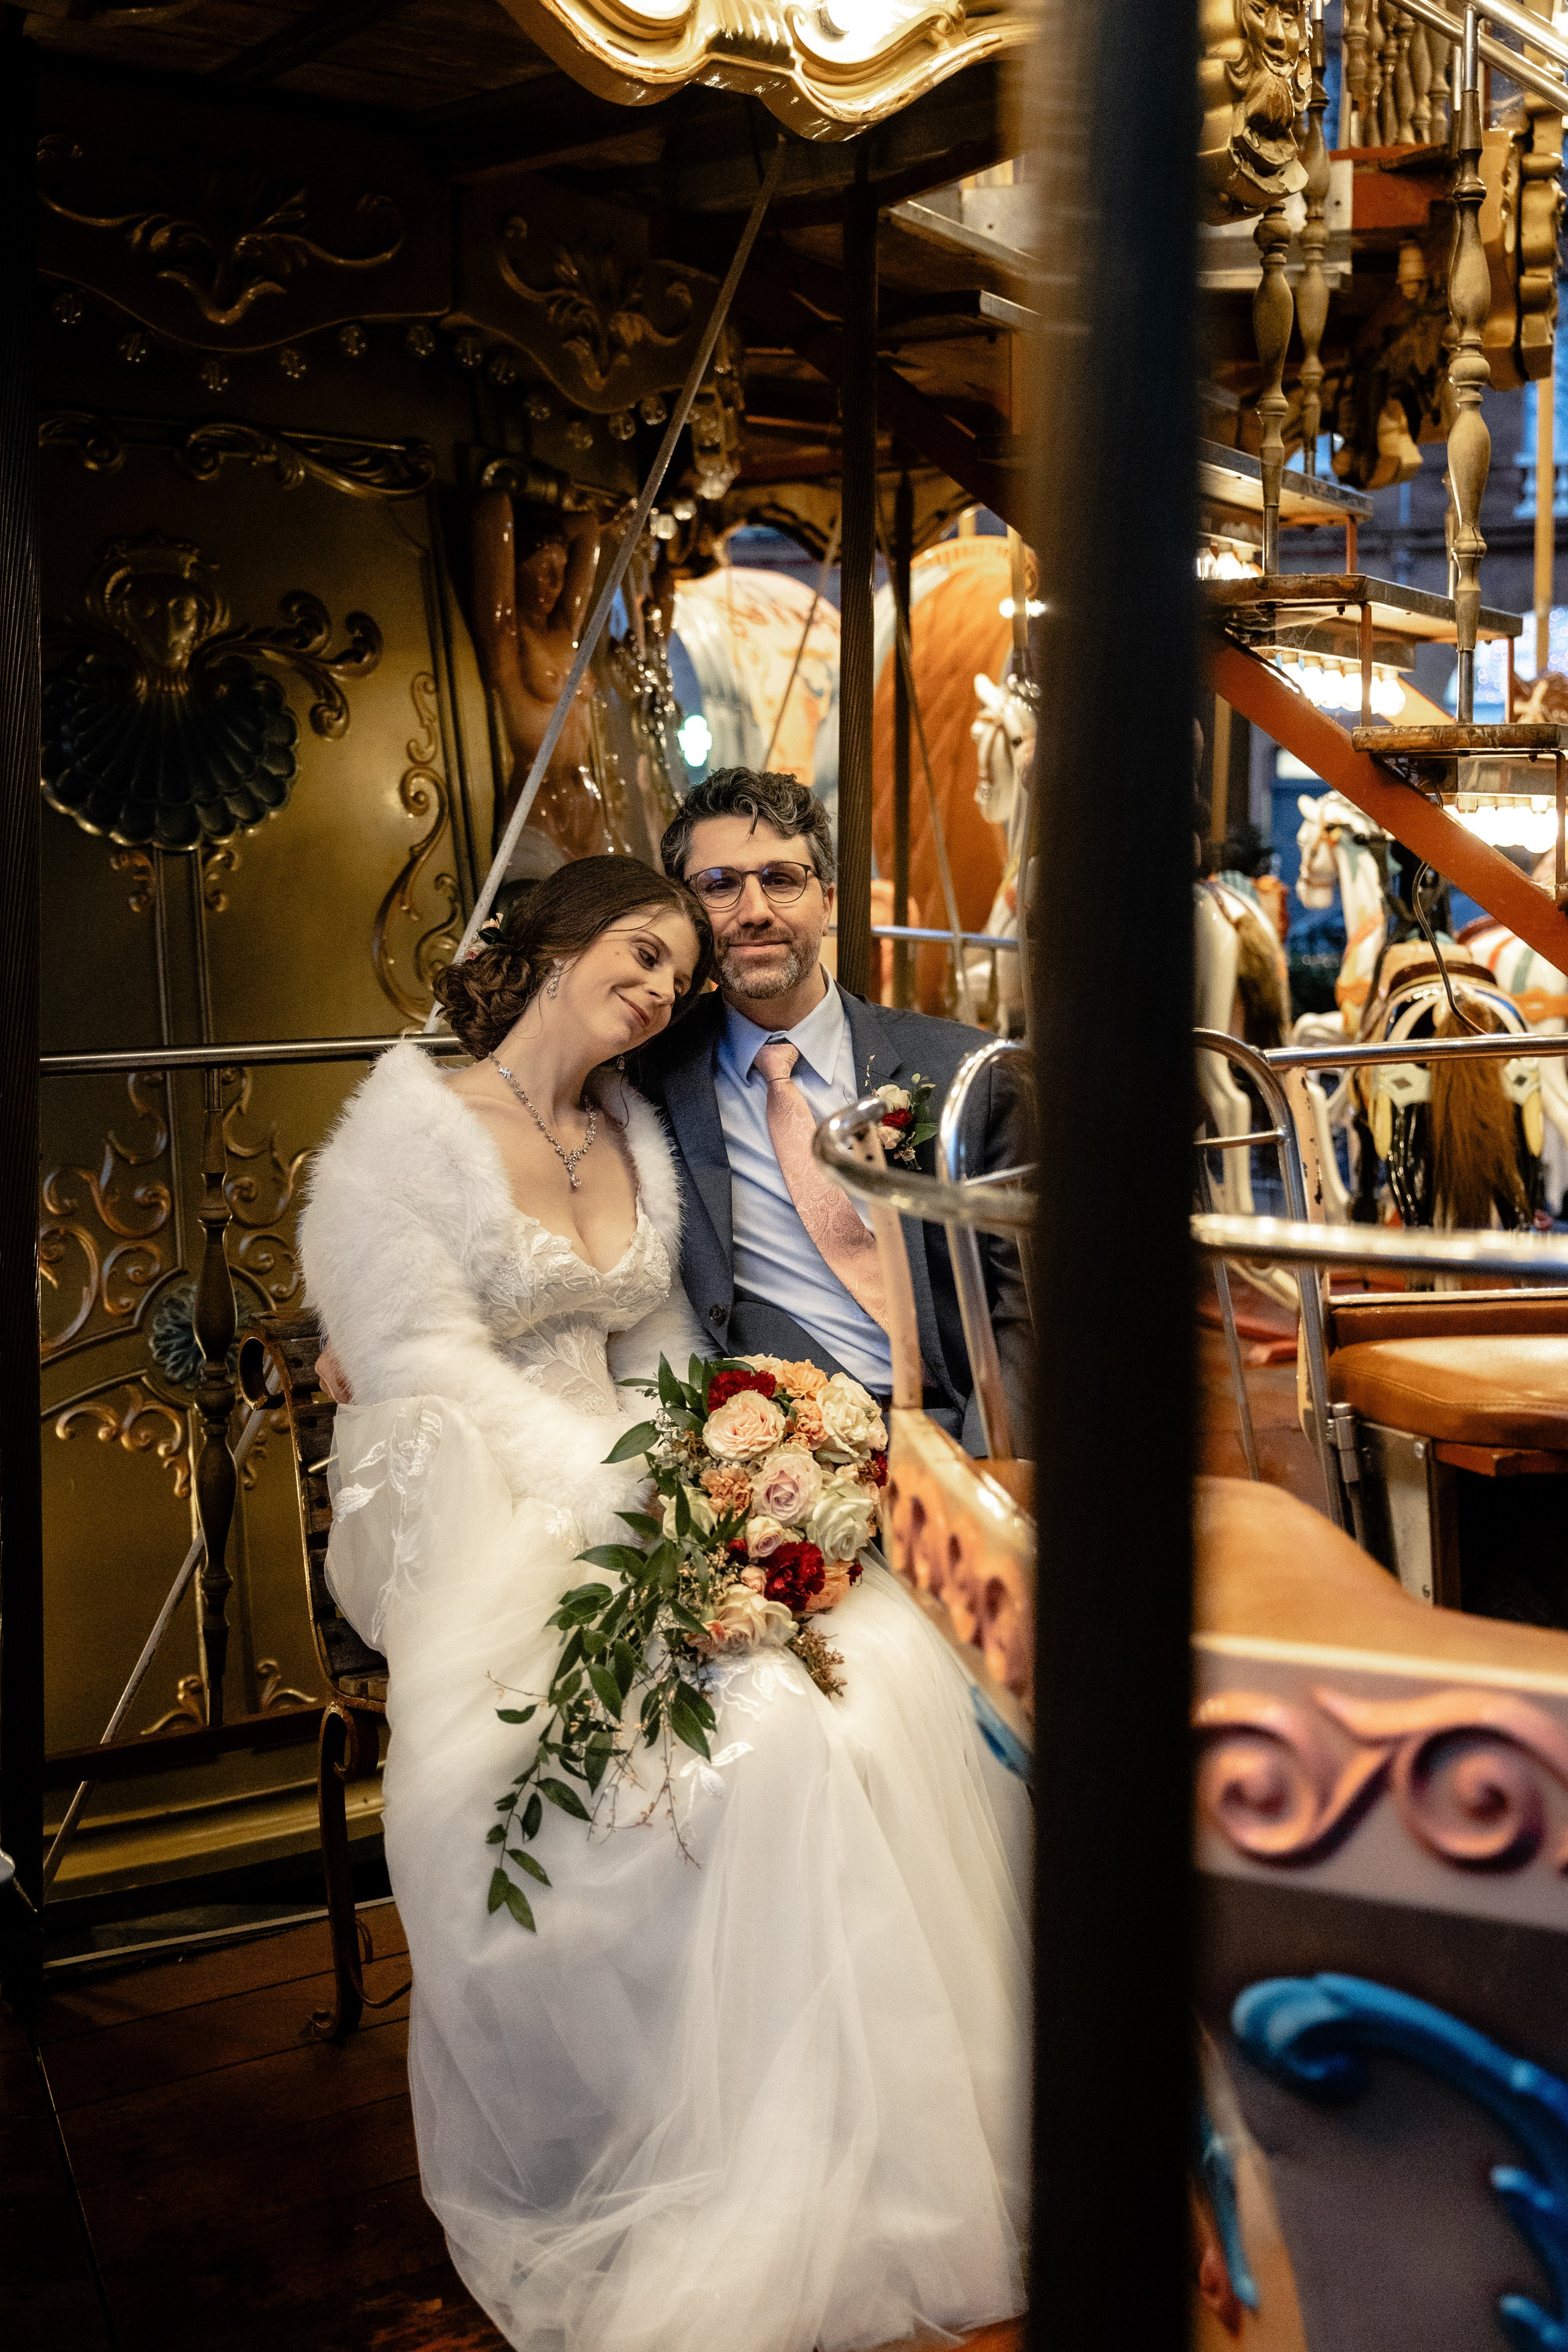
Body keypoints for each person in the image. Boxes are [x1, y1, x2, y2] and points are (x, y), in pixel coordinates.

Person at [300, 855, 1029, 2352]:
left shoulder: (632, 1119)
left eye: (672, 974)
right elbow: (421, 1360)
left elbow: (668, 1338)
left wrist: (731, 1480)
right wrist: (618, 1500)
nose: (655, 987)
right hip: (475, 1504)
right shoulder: (407, 1122)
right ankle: (686, 2122)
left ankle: (863, 2142)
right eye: (637, 952)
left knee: (878, 1683)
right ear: (552, 948)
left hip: (634, 1476)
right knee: (750, 1747)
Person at [636, 766, 1031, 1456]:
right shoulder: (648, 1074)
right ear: (688, 917)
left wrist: (998, 1460)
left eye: (780, 880)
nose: (753, 909)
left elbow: (1025, 1308)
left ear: (826, 899)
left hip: (959, 1427)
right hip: (780, 1447)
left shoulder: (969, 1074)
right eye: (719, 885)